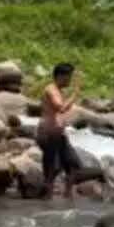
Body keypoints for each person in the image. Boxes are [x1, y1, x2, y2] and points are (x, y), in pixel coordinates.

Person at [38, 63, 82, 200]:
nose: (70, 81)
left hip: (59, 134)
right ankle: (48, 199)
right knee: (52, 169)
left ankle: (67, 195)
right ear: (60, 76)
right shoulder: (51, 90)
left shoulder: (59, 90)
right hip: (48, 134)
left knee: (74, 163)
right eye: (69, 77)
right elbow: (60, 108)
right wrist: (75, 95)